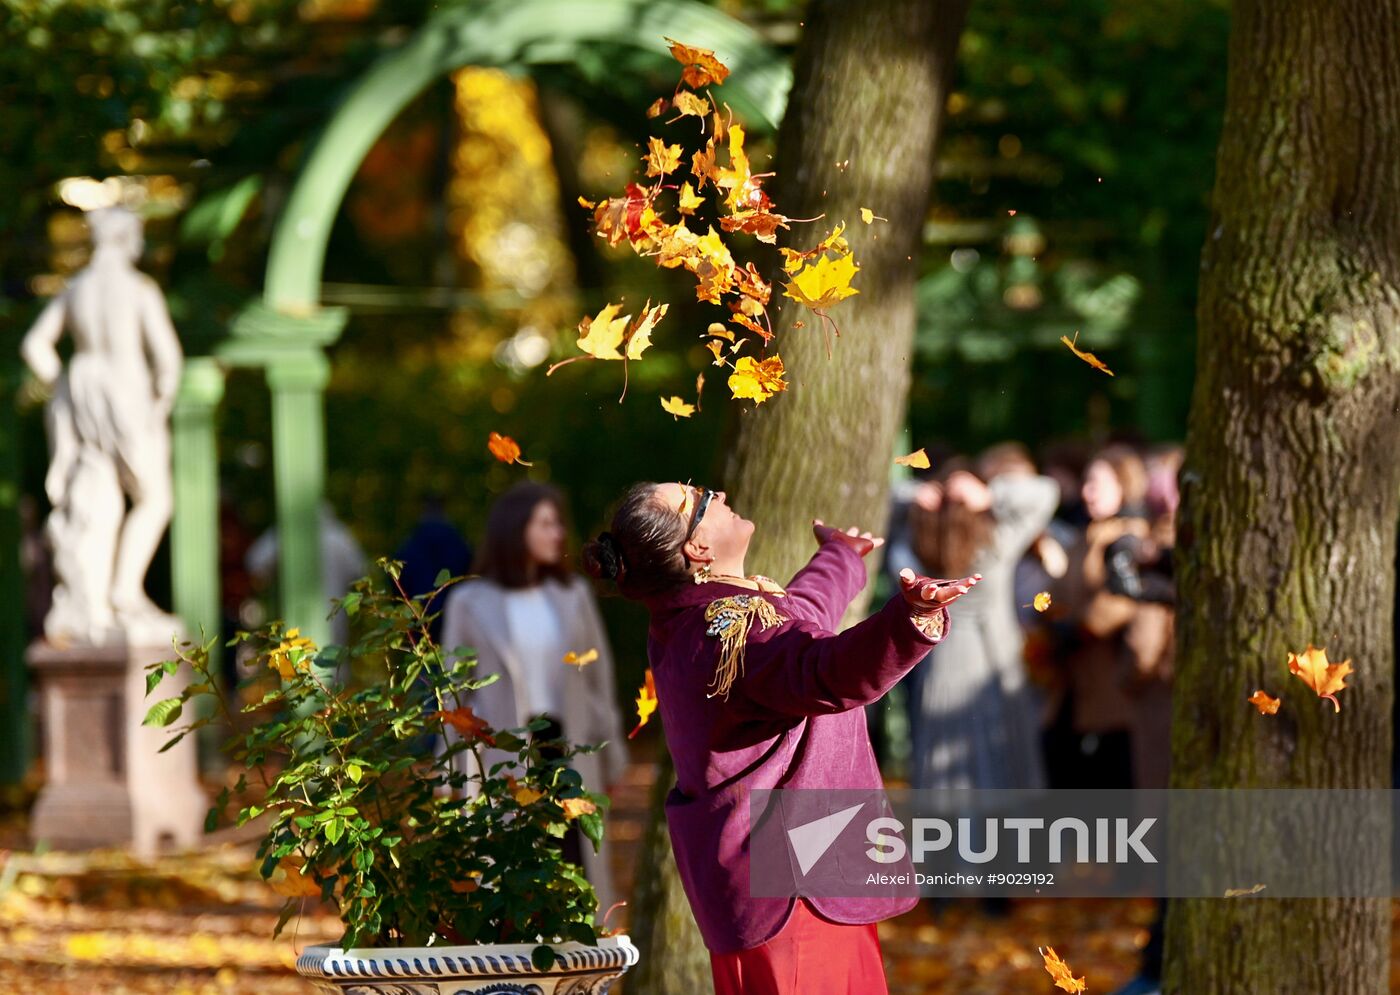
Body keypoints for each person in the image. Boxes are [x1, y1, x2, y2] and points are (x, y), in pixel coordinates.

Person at [582, 481, 978, 995]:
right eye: (702, 499)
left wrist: (839, 557)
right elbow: (823, 669)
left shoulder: (699, 617)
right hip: (796, 893)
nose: (718, 493)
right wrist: (910, 619)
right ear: (698, 548)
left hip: (786, 882)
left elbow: (800, 615)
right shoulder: (726, 630)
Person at [439, 481, 624, 913]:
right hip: (501, 754)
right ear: (514, 528)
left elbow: (600, 679)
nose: (558, 533)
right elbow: (453, 690)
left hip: (569, 748)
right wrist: (448, 772)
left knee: (577, 868)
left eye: (559, 522)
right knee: (507, 871)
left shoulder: (573, 596)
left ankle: (577, 970)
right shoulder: (469, 601)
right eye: (546, 523)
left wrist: (612, 756)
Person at [904, 457, 1059, 792]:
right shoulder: (998, 542)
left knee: (952, 774)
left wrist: (918, 493)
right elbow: (1047, 492)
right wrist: (990, 493)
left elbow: (884, 500)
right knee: (1004, 767)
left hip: (945, 659)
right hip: (995, 657)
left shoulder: (921, 546)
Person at [1048, 444, 1150, 789]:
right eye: (1086, 483)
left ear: (1123, 486)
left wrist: (1082, 627)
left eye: (1097, 483)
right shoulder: (1085, 535)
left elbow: (1125, 597)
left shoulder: (1129, 537)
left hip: (1115, 679)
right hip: (1078, 680)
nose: (1087, 491)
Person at [393, 493, 474, 642]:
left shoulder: (410, 545)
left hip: (418, 621)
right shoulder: (459, 544)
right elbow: (470, 578)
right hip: (453, 617)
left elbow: (396, 581)